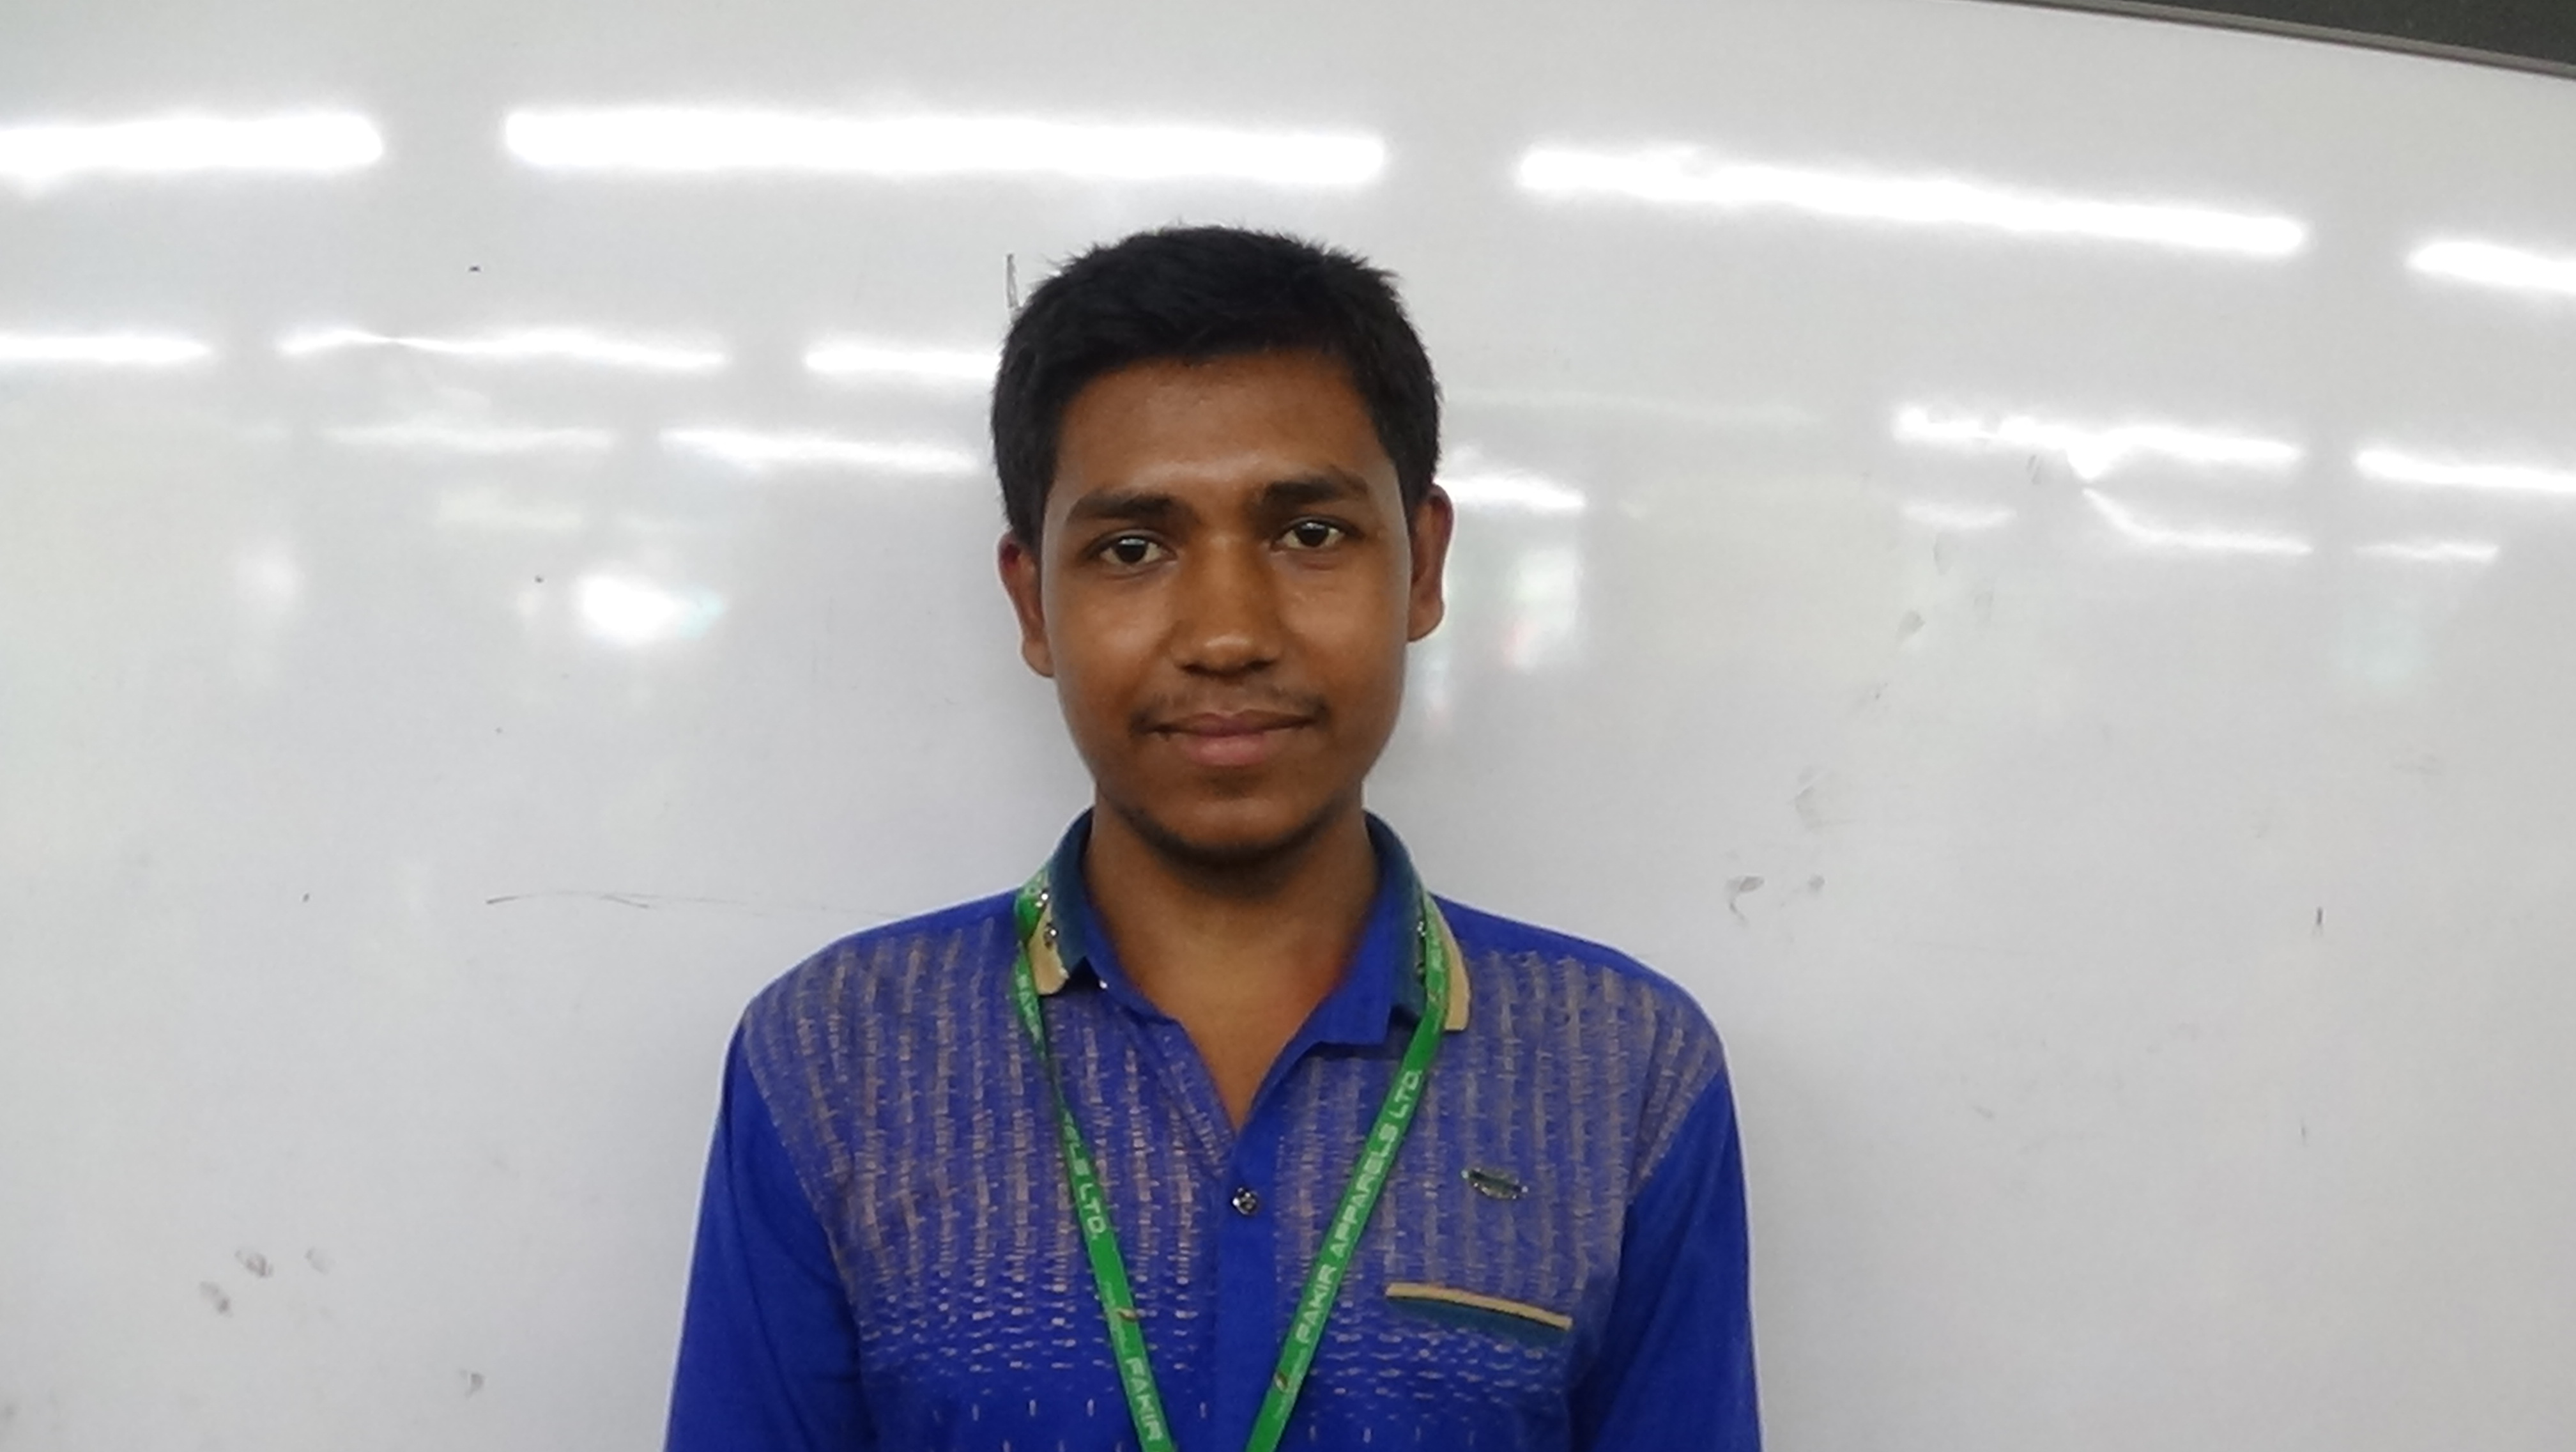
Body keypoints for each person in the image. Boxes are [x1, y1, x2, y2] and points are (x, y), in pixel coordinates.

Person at [664, 225, 1759, 1451]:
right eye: (1133, 549)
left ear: (1422, 566)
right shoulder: (839, 1057)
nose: (1229, 634)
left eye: (1310, 534)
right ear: (1034, 601)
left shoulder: (1620, 1070)